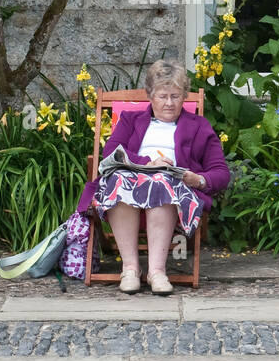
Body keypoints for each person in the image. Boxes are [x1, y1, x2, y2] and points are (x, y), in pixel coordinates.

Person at [75, 59, 229, 294]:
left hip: (173, 188)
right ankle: (130, 269)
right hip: (129, 182)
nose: (169, 103)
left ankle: (157, 271)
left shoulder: (199, 126)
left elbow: (221, 173)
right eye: (162, 96)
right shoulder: (131, 120)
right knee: (120, 181)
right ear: (150, 95)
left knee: (161, 182)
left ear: (184, 96)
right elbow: (110, 154)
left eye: (175, 96)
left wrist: (197, 179)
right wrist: (149, 163)